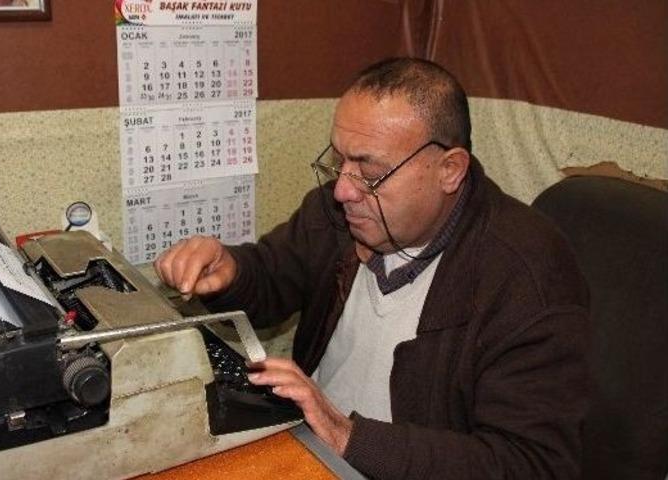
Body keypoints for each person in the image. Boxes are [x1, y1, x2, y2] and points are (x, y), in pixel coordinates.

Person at [154, 58, 589, 479]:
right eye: (340, 160)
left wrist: (349, 436)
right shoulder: (339, 212)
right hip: (314, 447)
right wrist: (232, 270)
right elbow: (274, 274)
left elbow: (532, 464)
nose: (343, 189)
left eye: (371, 173)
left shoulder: (528, 276)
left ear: (450, 170)